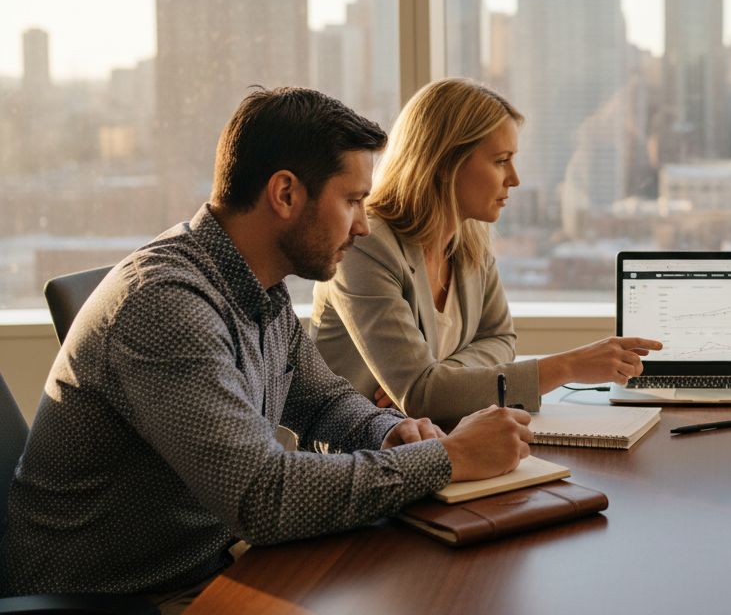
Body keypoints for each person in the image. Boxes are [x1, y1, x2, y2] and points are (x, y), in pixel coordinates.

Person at [0, 87, 532, 608]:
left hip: (212, 564)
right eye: (351, 201)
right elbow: (263, 497)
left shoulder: (260, 287)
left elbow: (325, 401)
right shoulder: (166, 305)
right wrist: (445, 458)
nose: (365, 227)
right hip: (118, 595)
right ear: (285, 194)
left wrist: (394, 431)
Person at [310, 78, 661, 424]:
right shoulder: (367, 246)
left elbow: (500, 338)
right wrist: (567, 366)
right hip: (365, 457)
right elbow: (420, 396)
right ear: (445, 163)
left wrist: (443, 376)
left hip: (444, 437)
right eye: (501, 161)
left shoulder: (470, 238)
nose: (515, 178)